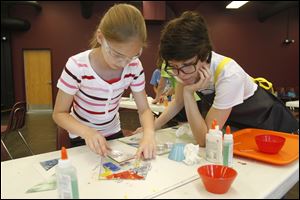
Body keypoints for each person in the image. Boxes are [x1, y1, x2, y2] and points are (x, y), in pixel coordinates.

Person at [135, 11, 298, 146]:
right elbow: (177, 103)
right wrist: (151, 128)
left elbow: (204, 139)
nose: (181, 74)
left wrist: (188, 94)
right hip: (240, 127)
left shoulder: (228, 74)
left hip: (270, 124)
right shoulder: (182, 68)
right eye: (174, 67)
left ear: (204, 54)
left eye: (186, 65)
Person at [53, 4, 156, 159]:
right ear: (101, 38)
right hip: (82, 136)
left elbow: (144, 110)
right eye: (117, 54)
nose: (124, 63)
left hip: (113, 131)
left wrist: (149, 134)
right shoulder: (77, 66)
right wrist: (87, 132)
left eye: (134, 55)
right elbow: (59, 113)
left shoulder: (134, 66)